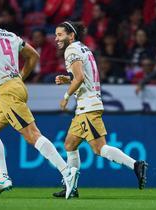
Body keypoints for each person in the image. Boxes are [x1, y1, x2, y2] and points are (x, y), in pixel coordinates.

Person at [0, 6, 78, 199]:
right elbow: (34, 57)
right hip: (13, 86)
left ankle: (66, 172)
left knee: (32, 135)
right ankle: (3, 177)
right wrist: (21, 76)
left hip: (7, 90)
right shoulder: (11, 36)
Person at [52, 21, 148, 198]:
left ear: (71, 36)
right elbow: (82, 76)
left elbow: (80, 78)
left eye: (59, 35)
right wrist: (68, 80)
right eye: (55, 35)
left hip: (87, 106)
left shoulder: (71, 50)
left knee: (99, 148)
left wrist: (65, 97)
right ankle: (70, 187)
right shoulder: (84, 49)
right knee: (70, 144)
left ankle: (135, 164)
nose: (56, 38)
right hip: (85, 106)